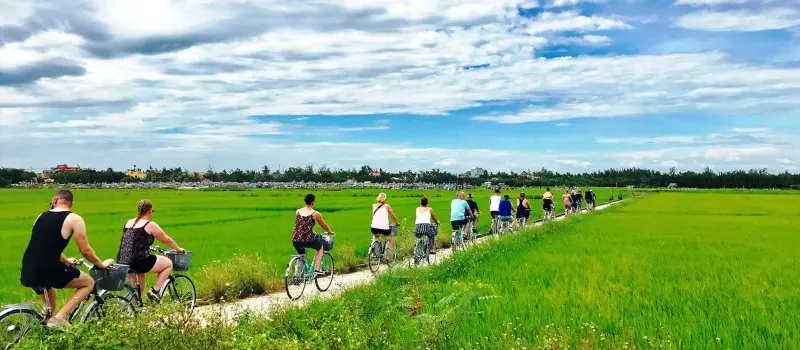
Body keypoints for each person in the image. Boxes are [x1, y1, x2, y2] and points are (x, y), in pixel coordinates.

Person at [20, 189, 113, 328]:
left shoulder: (40, 216)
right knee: (88, 283)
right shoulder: (74, 218)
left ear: (55, 200)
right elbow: (85, 251)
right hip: (48, 268)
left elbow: (44, 246)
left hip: (28, 268)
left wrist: (66, 261)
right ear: (71, 203)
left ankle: (45, 329)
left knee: (50, 306)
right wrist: (101, 265)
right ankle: (60, 319)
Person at [116, 200, 186, 299]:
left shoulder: (128, 222)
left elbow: (132, 241)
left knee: (138, 289)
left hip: (122, 260)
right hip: (139, 261)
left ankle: (132, 306)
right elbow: (166, 239)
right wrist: (178, 249)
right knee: (168, 264)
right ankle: (155, 291)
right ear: (149, 211)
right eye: (152, 211)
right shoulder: (150, 225)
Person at [291, 194, 334, 275]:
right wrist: (330, 232)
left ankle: (298, 275)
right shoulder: (315, 213)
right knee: (320, 247)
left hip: (295, 238)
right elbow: (324, 225)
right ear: (313, 202)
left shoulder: (298, 211)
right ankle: (317, 270)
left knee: (301, 255)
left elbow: (301, 226)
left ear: (305, 201)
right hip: (308, 239)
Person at [371, 193, 400, 258]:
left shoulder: (374, 205)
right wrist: (397, 223)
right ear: (385, 199)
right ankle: (387, 257)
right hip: (384, 228)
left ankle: (375, 252)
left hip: (373, 227)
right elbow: (393, 217)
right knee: (391, 238)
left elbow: (374, 216)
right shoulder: (387, 206)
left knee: (376, 236)